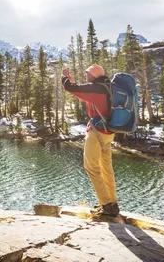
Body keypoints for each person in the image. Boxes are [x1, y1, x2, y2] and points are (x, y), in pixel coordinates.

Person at [62, 64, 119, 217]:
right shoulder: (108, 87)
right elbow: (81, 92)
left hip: (96, 133)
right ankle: (113, 203)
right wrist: (73, 83)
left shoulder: (95, 87)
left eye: (87, 73)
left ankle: (106, 206)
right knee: (106, 168)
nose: (86, 75)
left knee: (92, 168)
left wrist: (65, 77)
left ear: (93, 75)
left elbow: (71, 88)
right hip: (109, 133)